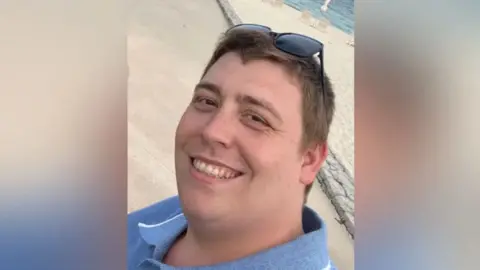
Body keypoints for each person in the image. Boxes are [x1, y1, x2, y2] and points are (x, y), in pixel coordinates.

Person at [127, 24, 337, 269]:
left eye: (256, 118)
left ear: (310, 160)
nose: (213, 131)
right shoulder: (179, 213)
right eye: (207, 101)